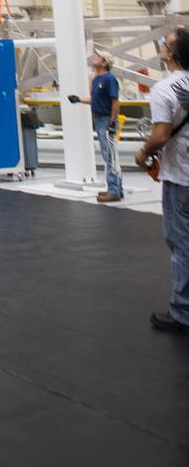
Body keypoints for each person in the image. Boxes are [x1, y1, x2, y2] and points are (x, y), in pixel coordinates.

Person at [135, 28, 189, 334]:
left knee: (181, 242)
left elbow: (161, 134)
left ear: (171, 53)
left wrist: (143, 153)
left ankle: (183, 311)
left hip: (181, 176)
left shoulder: (165, 88)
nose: (160, 48)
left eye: (164, 45)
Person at [68, 53, 122, 202]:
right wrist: (79, 100)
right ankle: (117, 188)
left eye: (98, 57)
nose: (94, 58)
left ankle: (114, 190)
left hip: (106, 120)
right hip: (99, 120)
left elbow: (115, 101)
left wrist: (112, 121)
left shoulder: (109, 79)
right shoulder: (96, 79)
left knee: (109, 156)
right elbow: (94, 100)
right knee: (109, 155)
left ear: (104, 62)